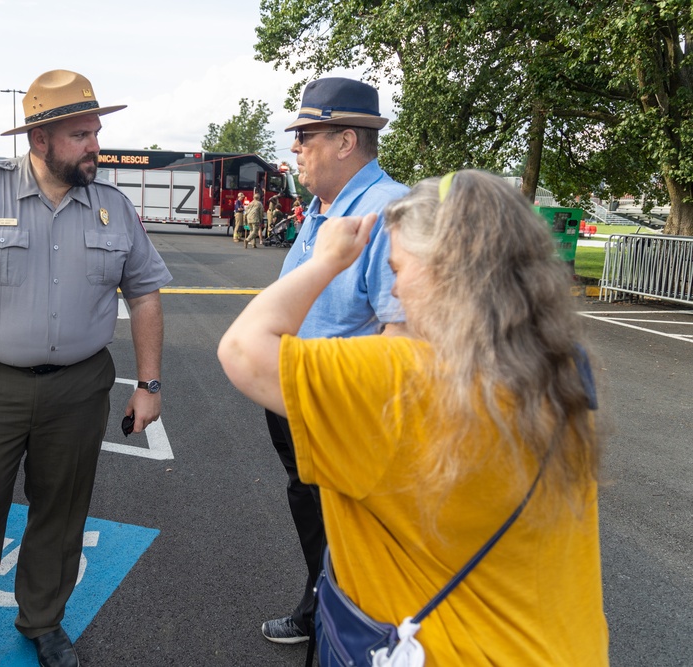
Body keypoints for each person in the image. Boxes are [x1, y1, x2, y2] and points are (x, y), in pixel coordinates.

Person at [218, 169, 608, 664]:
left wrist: (327, 261)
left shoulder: (400, 382)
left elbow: (242, 350)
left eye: (399, 269)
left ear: (445, 267)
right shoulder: (559, 367)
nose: (395, 292)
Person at [0, 69, 171, 667]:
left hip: (79, 388)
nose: (94, 146)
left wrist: (148, 383)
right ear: (41, 139)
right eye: (81, 135)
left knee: (62, 508)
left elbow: (146, 294)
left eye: (95, 133)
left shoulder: (113, 208)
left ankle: (43, 621)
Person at [254, 77, 410, 645]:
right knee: (311, 506)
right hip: (298, 398)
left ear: (346, 142)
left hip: (346, 410)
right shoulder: (323, 208)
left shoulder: (388, 213)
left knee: (355, 528)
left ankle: (351, 628)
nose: (294, 147)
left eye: (305, 135)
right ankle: (320, 602)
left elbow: (404, 340)